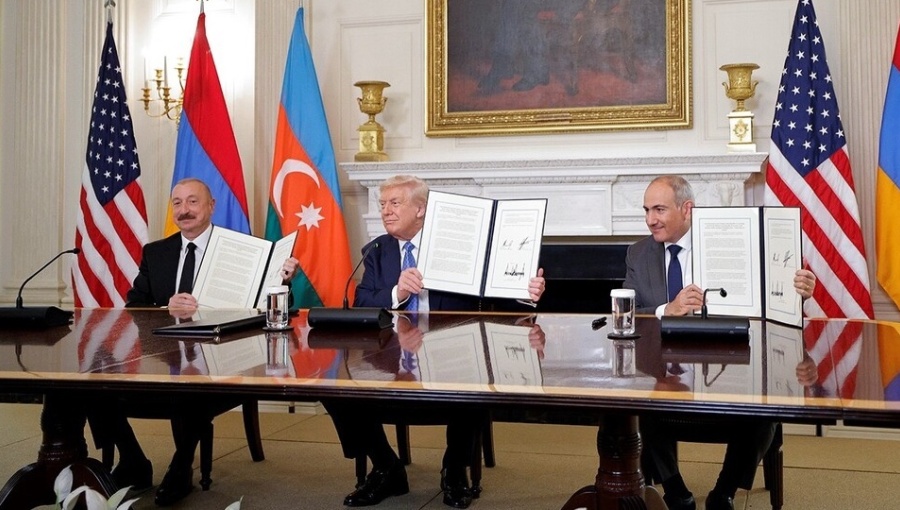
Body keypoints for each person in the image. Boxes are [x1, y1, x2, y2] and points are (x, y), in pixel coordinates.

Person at [326, 175, 545, 509]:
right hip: (391, 359)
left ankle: (455, 469)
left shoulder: (457, 244)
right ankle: (386, 467)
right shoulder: (377, 250)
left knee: (473, 385)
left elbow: (493, 298)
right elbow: (361, 301)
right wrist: (397, 292)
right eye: (382, 204)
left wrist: (526, 294)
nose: (385, 211)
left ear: (421, 210)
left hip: (452, 354)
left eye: (394, 203)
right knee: (337, 389)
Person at [103, 177, 300, 506]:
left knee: (191, 389)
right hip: (166, 354)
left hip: (225, 354)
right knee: (97, 389)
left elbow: (269, 309)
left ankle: (180, 468)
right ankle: (134, 460)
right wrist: (168, 306)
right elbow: (134, 306)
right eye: (177, 203)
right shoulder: (157, 252)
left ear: (211, 206)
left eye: (193, 201)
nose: (184, 210)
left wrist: (283, 282)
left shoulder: (243, 250)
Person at [624, 175, 816, 510]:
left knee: (764, 411)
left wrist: (797, 291)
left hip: (732, 361)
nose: (650, 219)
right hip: (664, 366)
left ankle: (723, 492)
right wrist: (668, 309)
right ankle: (675, 490)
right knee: (641, 402)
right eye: (646, 210)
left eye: (658, 209)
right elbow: (627, 312)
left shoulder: (730, 242)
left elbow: (770, 301)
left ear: (687, 209)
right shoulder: (638, 253)